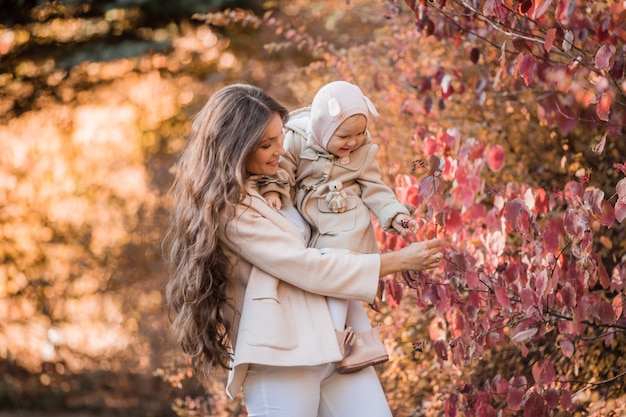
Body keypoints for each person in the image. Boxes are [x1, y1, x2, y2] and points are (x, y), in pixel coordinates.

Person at [163, 83, 442, 417]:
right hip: (282, 362)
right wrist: (393, 262)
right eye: (266, 144)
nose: (280, 150)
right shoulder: (229, 211)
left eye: (280, 137)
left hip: (336, 346)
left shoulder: (281, 181)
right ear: (234, 148)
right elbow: (305, 265)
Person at [261, 80, 418, 374]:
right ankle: (362, 341)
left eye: (360, 133)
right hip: (314, 220)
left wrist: (395, 214)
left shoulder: (362, 151)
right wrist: (273, 190)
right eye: (345, 135)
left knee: (339, 266)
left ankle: (333, 337)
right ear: (322, 127)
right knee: (330, 276)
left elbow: (375, 188)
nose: (353, 142)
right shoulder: (296, 140)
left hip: (347, 218)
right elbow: (281, 168)